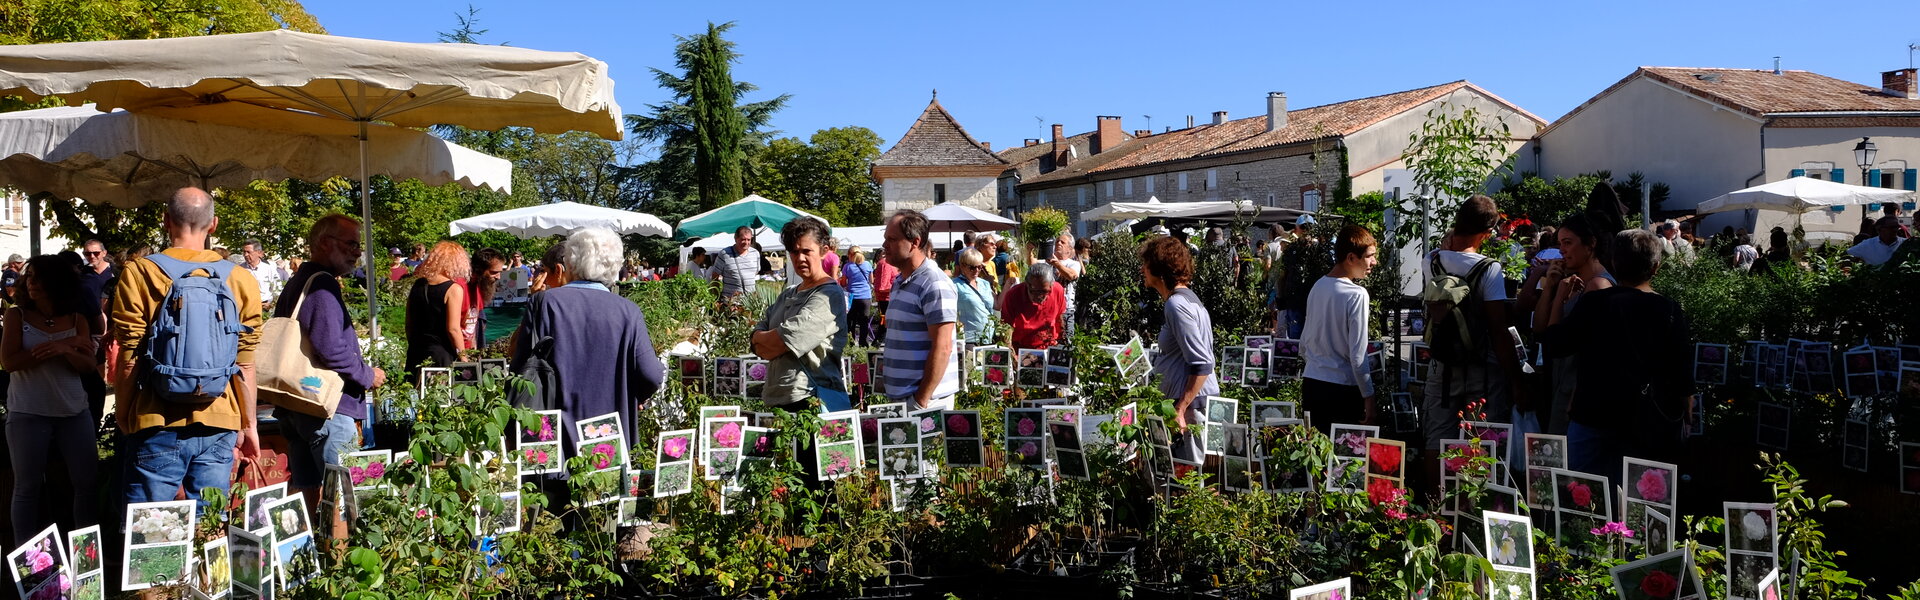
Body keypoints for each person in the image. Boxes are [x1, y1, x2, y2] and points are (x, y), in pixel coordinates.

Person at [110, 187, 263, 505]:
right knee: (210, 529)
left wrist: (123, 414)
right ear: (214, 224)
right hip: (220, 419)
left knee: (152, 534)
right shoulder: (240, 278)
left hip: (156, 418)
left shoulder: (139, 273)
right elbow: (245, 363)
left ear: (166, 221)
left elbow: (129, 356)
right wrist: (249, 426)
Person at [509, 227, 664, 505]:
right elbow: (651, 374)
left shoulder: (544, 302)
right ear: (614, 266)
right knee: (601, 528)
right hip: (607, 438)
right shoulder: (628, 311)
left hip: (552, 435)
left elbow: (521, 368)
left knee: (550, 521)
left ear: (571, 262)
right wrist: (635, 396)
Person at [1542, 229, 1693, 475]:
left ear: (1614, 262)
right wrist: (1686, 406)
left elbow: (1555, 345)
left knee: (1579, 490)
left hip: (1592, 411)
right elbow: (1681, 367)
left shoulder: (1596, 302)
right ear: (1655, 267)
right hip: (1644, 419)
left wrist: (1559, 297)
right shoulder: (1669, 309)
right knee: (1637, 496)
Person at [274, 215, 386, 517]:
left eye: (358, 246)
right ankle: (342, 558)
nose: (356, 252)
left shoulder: (299, 281)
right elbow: (331, 347)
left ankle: (318, 556)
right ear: (324, 243)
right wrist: (367, 375)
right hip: (326, 407)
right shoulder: (322, 285)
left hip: (296, 403)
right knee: (346, 498)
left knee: (309, 492)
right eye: (350, 244)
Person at [1420, 196, 1529, 461]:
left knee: (1437, 438)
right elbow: (1497, 329)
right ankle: (1477, 500)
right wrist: (1516, 381)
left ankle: (1436, 501)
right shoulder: (1489, 269)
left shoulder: (1430, 261)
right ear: (1487, 232)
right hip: (1480, 369)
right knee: (1480, 441)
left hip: (1442, 365)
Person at [4, 255, 99, 542]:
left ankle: (86, 556)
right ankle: (26, 562)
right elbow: (9, 362)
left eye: (39, 277)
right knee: (27, 487)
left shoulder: (77, 319)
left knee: (86, 484)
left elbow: (88, 366)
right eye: (29, 277)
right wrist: (63, 344)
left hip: (73, 412)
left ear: (58, 282)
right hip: (27, 412)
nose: (32, 283)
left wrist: (65, 350)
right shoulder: (16, 315)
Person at [753, 217, 849, 412]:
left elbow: (785, 341)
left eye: (806, 251)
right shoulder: (789, 293)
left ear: (823, 251)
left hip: (810, 398)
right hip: (779, 398)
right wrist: (760, 339)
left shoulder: (828, 295)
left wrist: (763, 340)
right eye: (794, 252)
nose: (800, 258)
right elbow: (760, 343)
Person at [1534, 215, 1615, 435]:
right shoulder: (1573, 283)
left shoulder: (1599, 286)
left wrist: (1560, 297)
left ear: (1590, 244)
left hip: (1577, 391)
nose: (1561, 250)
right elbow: (1540, 329)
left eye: (1568, 243)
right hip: (1562, 383)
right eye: (1560, 243)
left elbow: (1595, 350)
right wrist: (1551, 288)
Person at [1141, 236, 1217, 461]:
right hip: (1193, 403)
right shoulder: (1186, 299)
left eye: (1146, 264)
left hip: (1192, 407)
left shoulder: (1176, 305)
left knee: (1194, 476)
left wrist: (1180, 408)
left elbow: (1202, 363)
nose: (1142, 269)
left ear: (1158, 268)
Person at [1300, 225, 1380, 432]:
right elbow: (1358, 356)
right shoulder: (1356, 294)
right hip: (1342, 388)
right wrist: (1369, 397)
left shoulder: (1318, 286)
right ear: (1351, 258)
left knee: (1315, 456)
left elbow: (1304, 343)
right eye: (1370, 256)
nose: (1374, 262)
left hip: (1312, 384)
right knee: (1345, 460)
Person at [881, 210, 960, 410]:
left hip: (925, 402)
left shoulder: (934, 283)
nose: (884, 246)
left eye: (891, 239)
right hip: (905, 399)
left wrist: (920, 400)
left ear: (915, 242)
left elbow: (943, 347)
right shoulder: (902, 281)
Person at [405, 242, 470, 379]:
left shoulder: (418, 285)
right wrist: (463, 357)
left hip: (416, 351)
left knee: (415, 395)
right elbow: (453, 329)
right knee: (441, 398)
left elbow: (409, 324)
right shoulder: (453, 289)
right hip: (441, 354)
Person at [1000, 263, 1065, 351]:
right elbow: (1006, 327)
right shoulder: (1013, 295)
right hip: (1021, 349)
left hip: (1049, 346)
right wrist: (1009, 353)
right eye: (1034, 291)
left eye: (1044, 291)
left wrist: (1062, 343)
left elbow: (1060, 318)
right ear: (1027, 284)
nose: (1039, 296)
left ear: (1051, 285)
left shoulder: (1058, 290)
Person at [952, 249, 997, 345]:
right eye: (972, 267)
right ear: (962, 266)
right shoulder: (954, 285)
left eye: (979, 267)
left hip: (990, 337)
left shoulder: (984, 283)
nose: (976, 270)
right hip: (969, 339)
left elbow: (996, 306)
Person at [1042, 233, 1082, 338]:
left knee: (1066, 342)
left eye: (1062, 242)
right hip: (1048, 309)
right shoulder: (1047, 262)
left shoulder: (1073, 264)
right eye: (1057, 242)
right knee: (1047, 341)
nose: (1058, 243)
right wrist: (1030, 251)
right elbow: (1032, 263)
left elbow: (1071, 275)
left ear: (1069, 248)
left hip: (1065, 311)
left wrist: (1057, 264)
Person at [466, 248, 506, 350]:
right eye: (494, 272)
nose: (498, 277)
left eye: (500, 272)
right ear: (479, 270)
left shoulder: (481, 288)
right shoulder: (462, 289)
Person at [712, 226, 761, 300]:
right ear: (736, 238)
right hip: (730, 302)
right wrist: (716, 298)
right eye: (743, 239)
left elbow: (755, 273)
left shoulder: (755, 253)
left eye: (749, 240)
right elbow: (715, 276)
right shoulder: (724, 254)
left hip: (751, 301)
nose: (746, 242)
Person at [841, 247, 875, 347]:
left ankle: (850, 344)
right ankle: (863, 344)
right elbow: (871, 281)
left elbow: (843, 283)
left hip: (852, 297)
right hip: (865, 297)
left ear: (850, 255)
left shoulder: (847, 266)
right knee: (864, 322)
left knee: (851, 322)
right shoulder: (868, 264)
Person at [238, 240, 283, 308]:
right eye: (244, 252)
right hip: (246, 307)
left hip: (264, 307)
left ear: (259, 253)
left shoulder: (268, 269)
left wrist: (271, 304)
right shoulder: (239, 270)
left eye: (248, 252)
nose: (245, 255)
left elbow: (277, 289)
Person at [872, 246, 899, 342]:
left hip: (889, 298)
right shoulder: (885, 264)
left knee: (886, 325)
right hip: (886, 299)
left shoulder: (889, 263)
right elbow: (883, 286)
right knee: (885, 325)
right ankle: (875, 347)